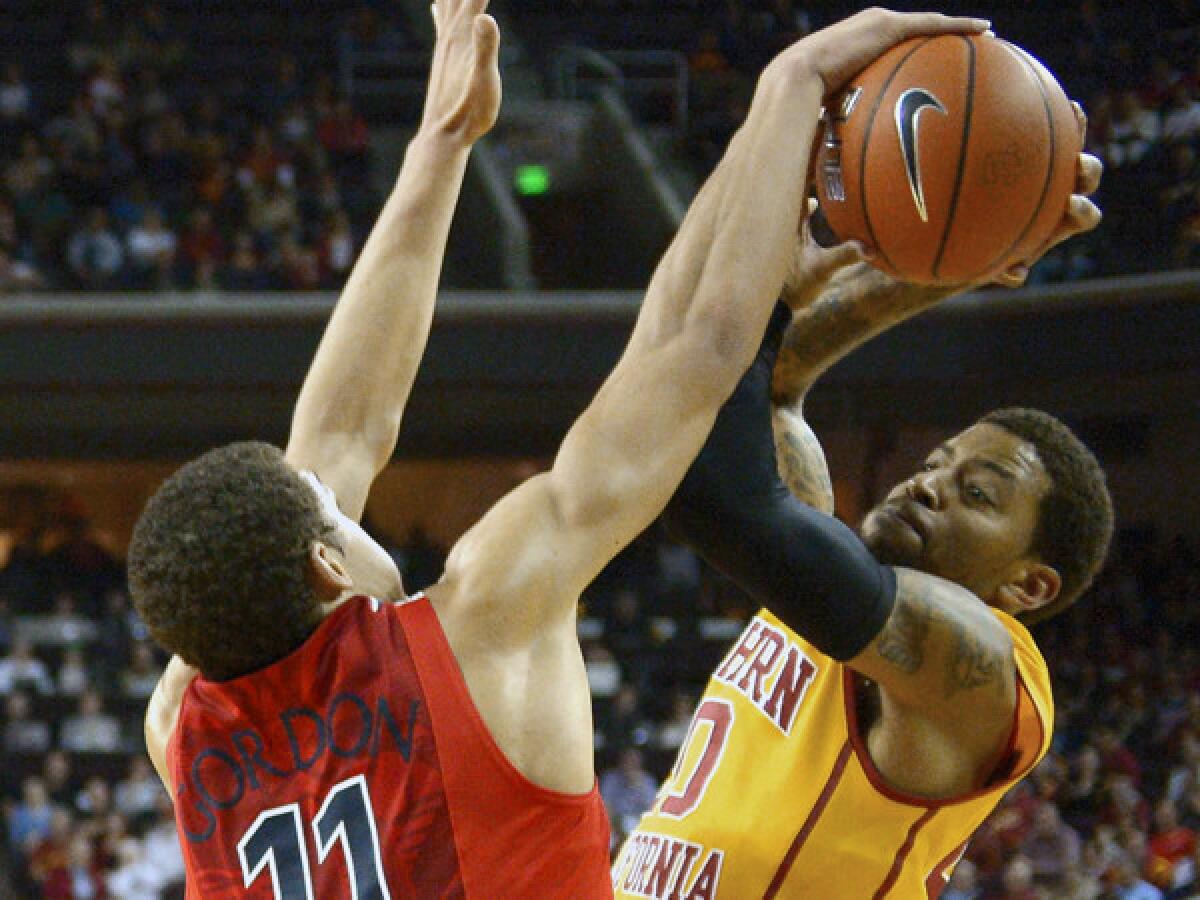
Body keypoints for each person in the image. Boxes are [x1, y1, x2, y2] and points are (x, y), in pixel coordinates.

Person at [132, 5, 992, 898]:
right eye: (327, 513)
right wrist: (792, 86)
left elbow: (341, 435)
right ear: (322, 566)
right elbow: (692, 348)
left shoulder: (184, 733)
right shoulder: (480, 625)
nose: (337, 491)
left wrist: (444, 139)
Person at [615, 106, 1111, 897]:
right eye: (939, 463)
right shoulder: (825, 581)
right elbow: (764, 395)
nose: (928, 482)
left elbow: (724, 499)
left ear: (1028, 583)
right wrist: (948, 262)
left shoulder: (986, 676)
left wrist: (773, 303)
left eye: (976, 494)